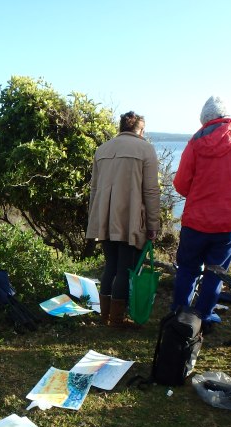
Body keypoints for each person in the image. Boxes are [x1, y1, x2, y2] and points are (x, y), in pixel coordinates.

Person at [172, 96, 231, 325]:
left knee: (187, 268)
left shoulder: (196, 141)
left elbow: (181, 183)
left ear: (205, 119)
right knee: (216, 271)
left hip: (197, 219)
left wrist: (200, 195)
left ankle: (179, 316)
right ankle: (203, 316)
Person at [86, 111, 160, 326]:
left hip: (104, 217)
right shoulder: (146, 149)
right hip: (130, 218)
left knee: (110, 265)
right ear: (141, 130)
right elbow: (151, 191)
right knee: (125, 268)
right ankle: (117, 320)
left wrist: (94, 219)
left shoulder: (102, 149)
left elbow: (94, 189)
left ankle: (105, 315)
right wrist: (153, 224)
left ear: (121, 127)